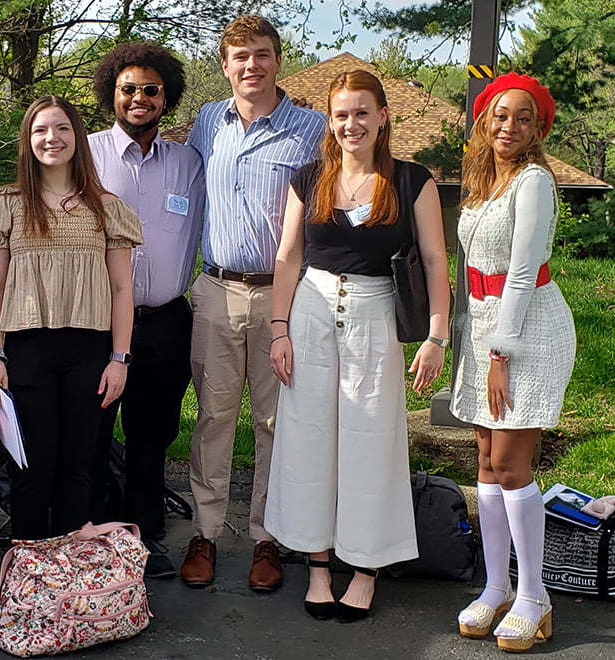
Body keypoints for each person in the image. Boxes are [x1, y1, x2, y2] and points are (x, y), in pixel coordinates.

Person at [263, 70, 451, 622]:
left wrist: (437, 334)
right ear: (330, 118)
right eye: (342, 113)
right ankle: (318, 565)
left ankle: (365, 568)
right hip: (312, 312)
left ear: (383, 116)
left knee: (373, 441)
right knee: (308, 439)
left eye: (363, 112)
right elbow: (288, 258)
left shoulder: (413, 181)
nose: (352, 124)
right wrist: (279, 330)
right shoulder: (308, 178)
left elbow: (437, 261)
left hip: (376, 313)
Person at [179, 14, 325, 591]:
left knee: (273, 421)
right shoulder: (207, 122)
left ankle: (267, 536)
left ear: (277, 60)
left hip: (281, 294)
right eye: (240, 57)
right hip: (215, 288)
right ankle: (206, 532)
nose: (251, 66)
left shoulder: (311, 128)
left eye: (262, 54)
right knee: (214, 418)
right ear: (224, 64)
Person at [0, 96, 143, 541]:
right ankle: (28, 577)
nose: (52, 138)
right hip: (27, 350)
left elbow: (123, 289)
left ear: (78, 137)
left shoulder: (107, 208)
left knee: (79, 465)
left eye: (63, 128)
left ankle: (69, 577)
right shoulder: (6, 205)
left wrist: (120, 358)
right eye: (41, 130)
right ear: (28, 141)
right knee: (31, 465)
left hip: (89, 351)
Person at [450, 73, 575, 653]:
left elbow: (521, 275)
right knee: (483, 459)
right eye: (500, 115)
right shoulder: (480, 182)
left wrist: (501, 353)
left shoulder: (533, 182)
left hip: (526, 328)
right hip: (480, 322)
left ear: (538, 128)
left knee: (510, 462)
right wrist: (472, 339)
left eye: (523, 118)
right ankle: (495, 585)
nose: (509, 127)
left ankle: (534, 596)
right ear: (484, 119)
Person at [87, 42, 205, 578]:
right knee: (91, 430)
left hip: (165, 321)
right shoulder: (83, 154)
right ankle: (88, 535)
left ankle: (144, 535)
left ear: (167, 97)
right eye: (128, 88)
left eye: (150, 90)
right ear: (111, 93)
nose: (139, 98)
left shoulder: (188, 163)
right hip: (97, 322)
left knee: (151, 435)